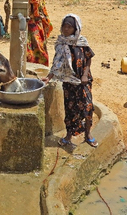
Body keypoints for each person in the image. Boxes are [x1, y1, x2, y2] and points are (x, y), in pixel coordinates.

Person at [42, 13, 98, 148]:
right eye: (64, 26)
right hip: (68, 83)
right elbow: (57, 63)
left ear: (76, 28)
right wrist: (48, 78)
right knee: (70, 110)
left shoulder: (82, 42)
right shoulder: (61, 43)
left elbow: (88, 58)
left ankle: (88, 134)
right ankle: (69, 135)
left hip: (83, 81)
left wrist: (85, 74)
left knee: (87, 107)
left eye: (69, 27)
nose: (66, 29)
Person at [20, 0, 53, 66]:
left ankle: (41, 66)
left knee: (38, 44)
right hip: (23, 16)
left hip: (36, 18)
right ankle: (27, 65)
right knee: (24, 44)